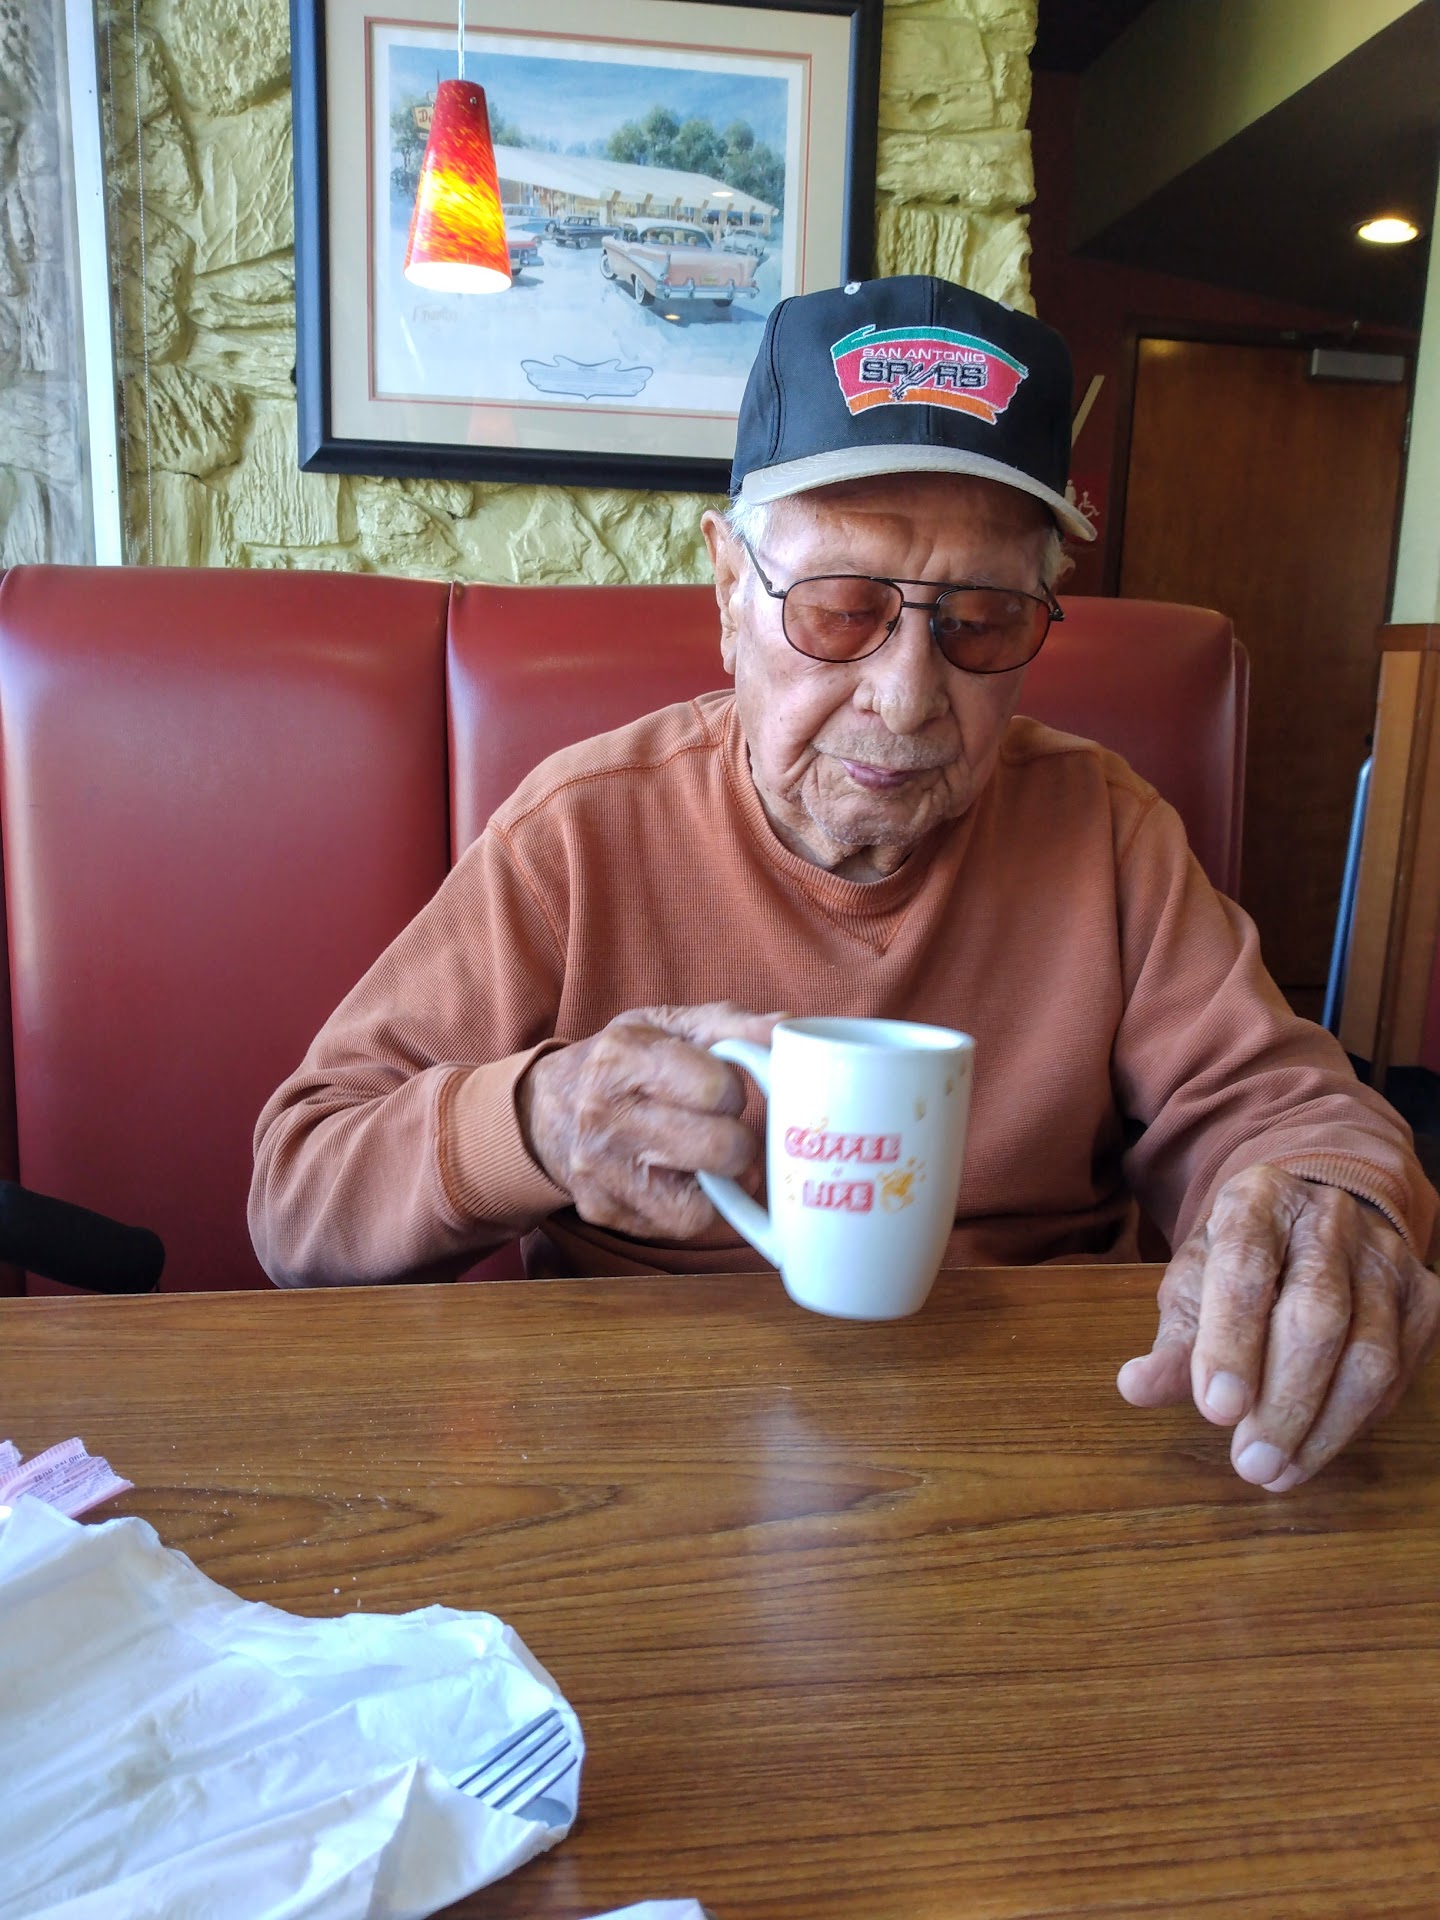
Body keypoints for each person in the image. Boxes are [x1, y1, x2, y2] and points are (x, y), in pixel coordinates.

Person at [251, 275, 1439, 1492]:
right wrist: (535, 1122)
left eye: (982, 620)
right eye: (840, 611)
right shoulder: (578, 832)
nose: (908, 697)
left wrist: (1322, 1202)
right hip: (643, 1452)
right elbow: (298, 1197)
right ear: (729, 589)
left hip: (1030, 1448)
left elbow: (1290, 1111)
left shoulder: (1106, 831)